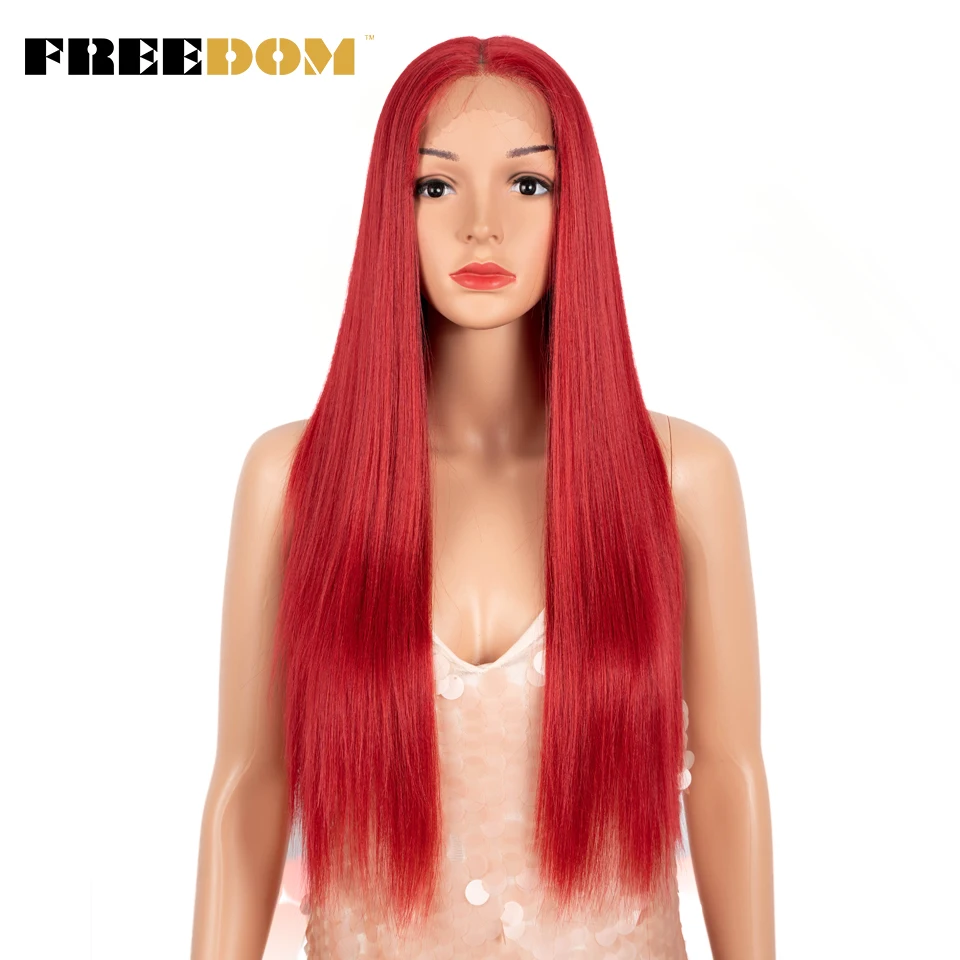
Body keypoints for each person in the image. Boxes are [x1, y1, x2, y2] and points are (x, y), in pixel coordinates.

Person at [190, 35, 775, 960]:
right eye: (436, 186)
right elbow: (248, 786)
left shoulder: (680, 477)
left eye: (527, 184)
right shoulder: (294, 482)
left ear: (575, 208)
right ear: (393, 211)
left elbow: (731, 776)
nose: (481, 226)